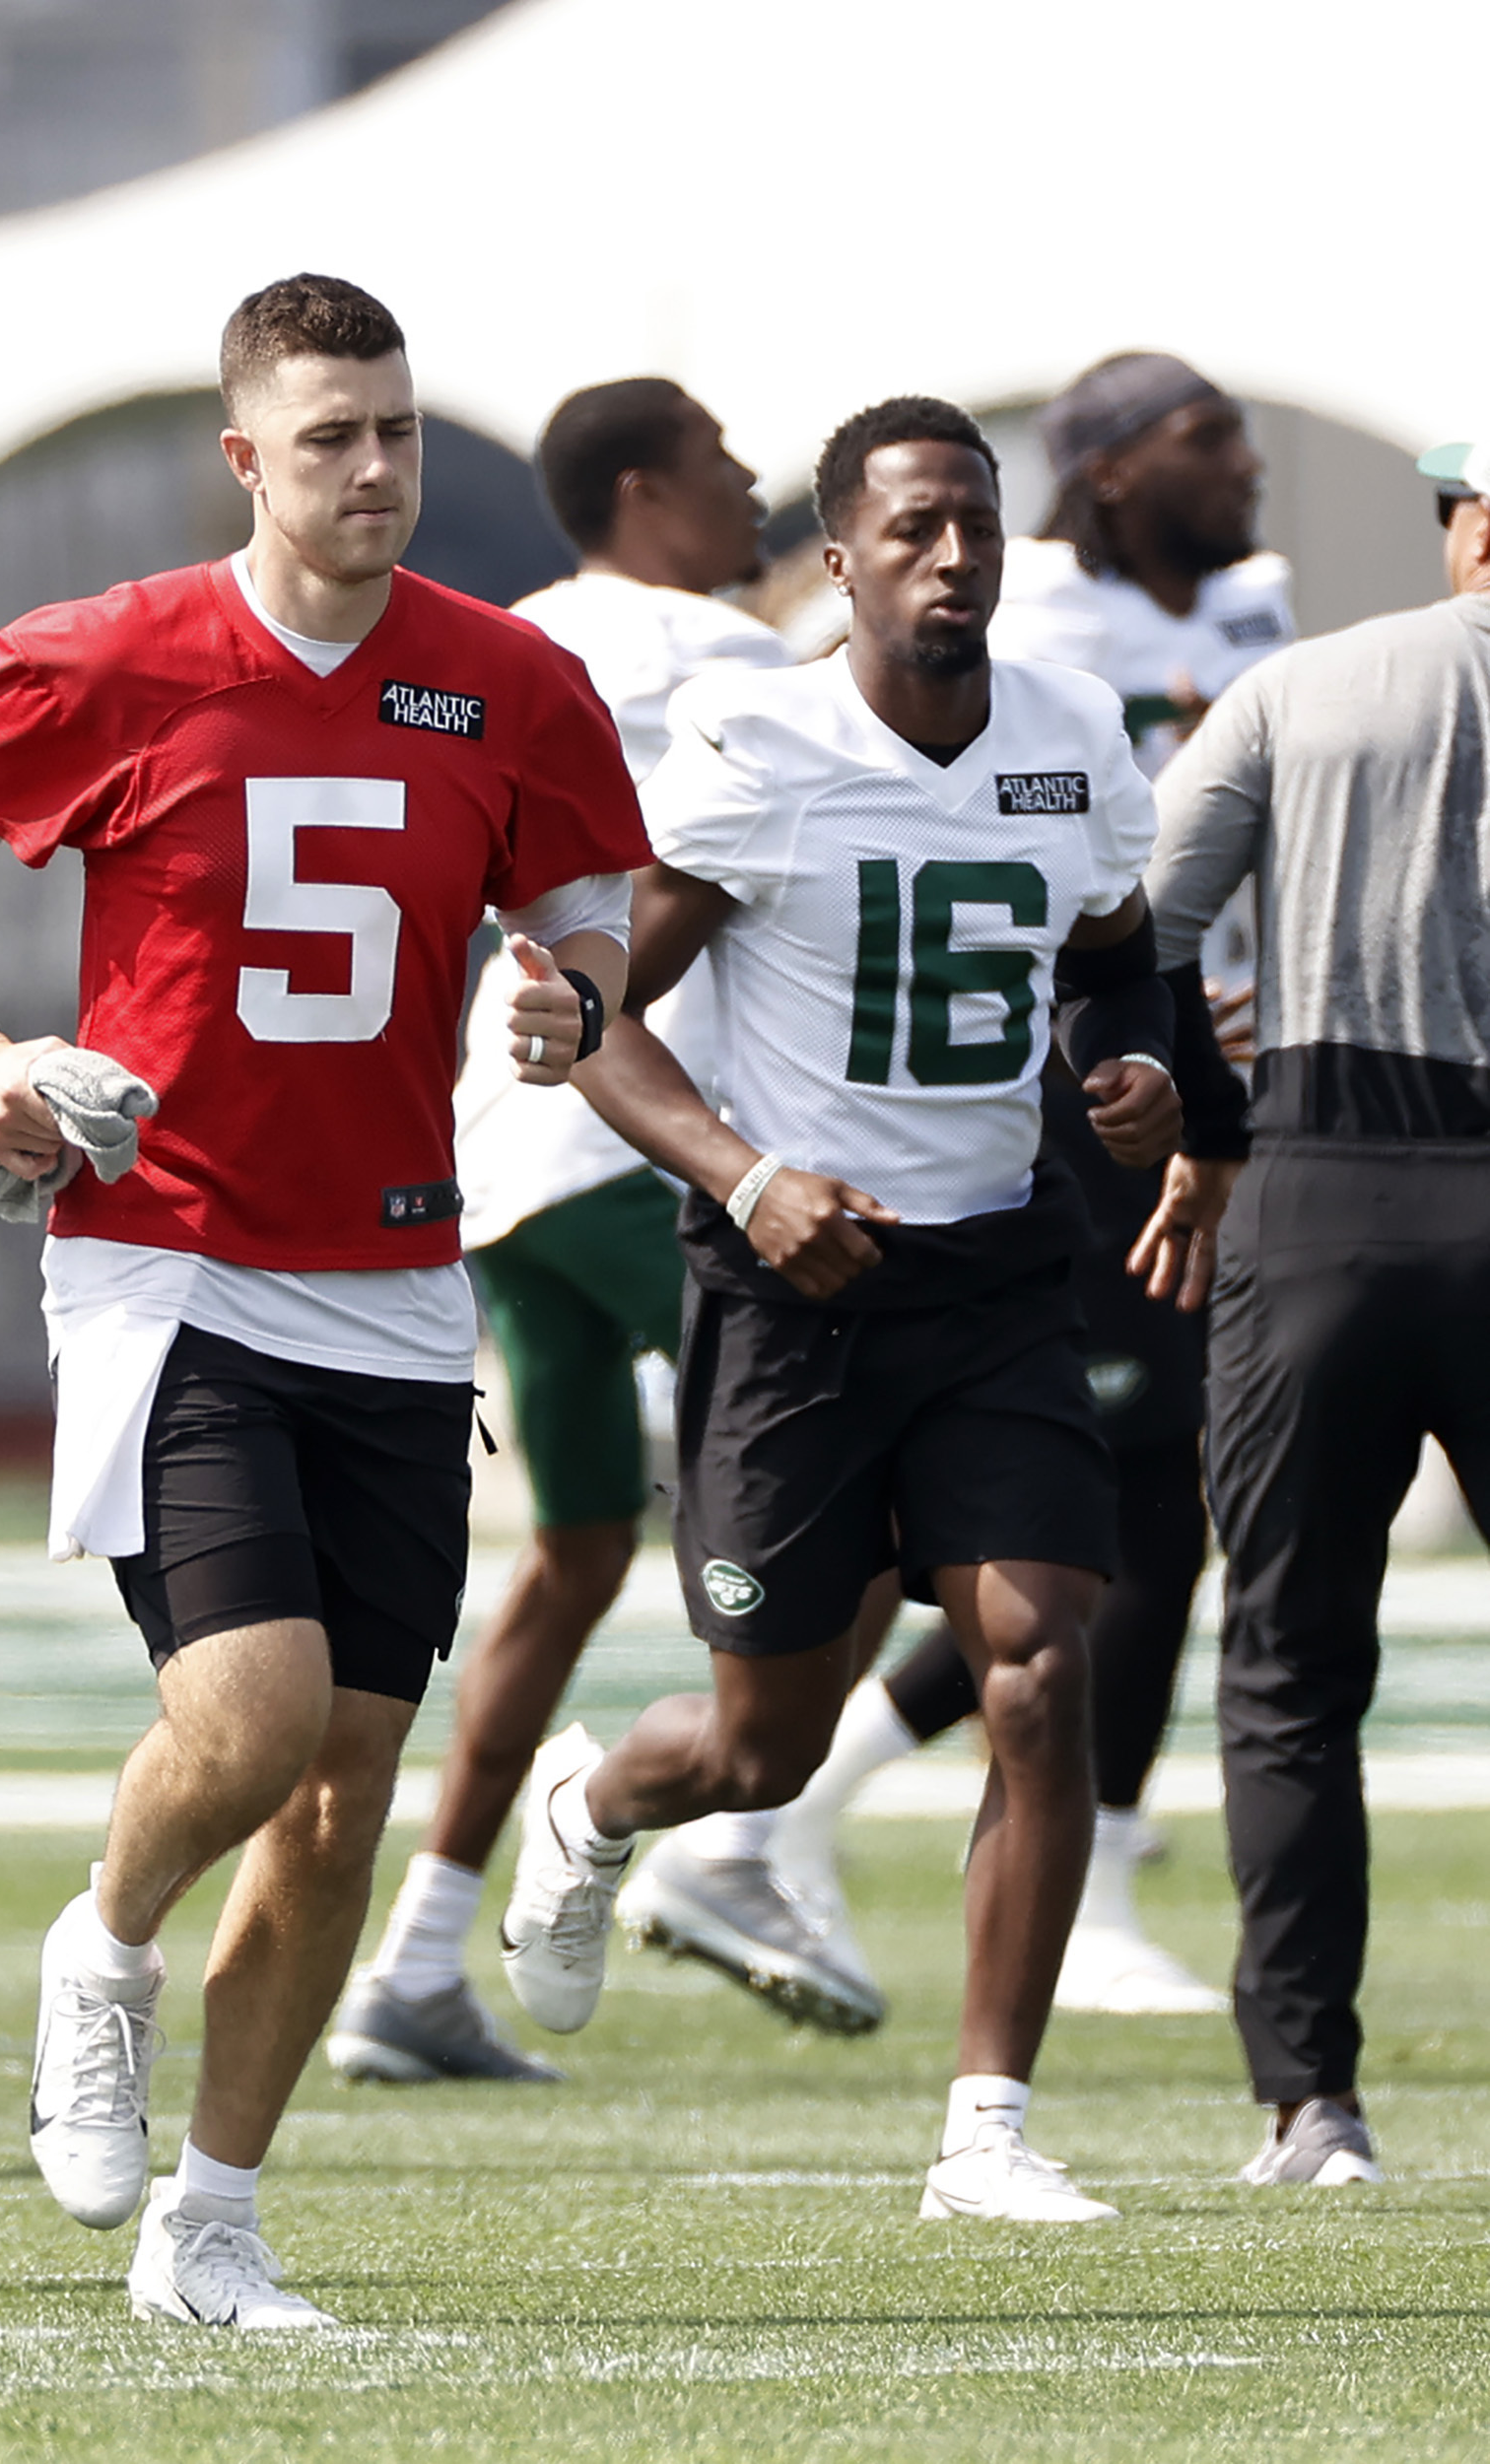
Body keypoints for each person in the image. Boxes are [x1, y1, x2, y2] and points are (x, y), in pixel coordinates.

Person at [0, 275, 644, 2329]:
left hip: (393, 1273)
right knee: (256, 1709)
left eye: (395, 432)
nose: (374, 469)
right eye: (330, 438)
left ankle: (209, 2224)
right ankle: (101, 1938)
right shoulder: (117, 650)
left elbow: (591, 925)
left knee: (346, 1778)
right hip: (169, 1251)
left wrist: (575, 1006)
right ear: (245, 458)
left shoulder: (510, 678)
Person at [503, 395, 1216, 2226]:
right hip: (791, 1290)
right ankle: (588, 1805)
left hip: (992, 1272)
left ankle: (983, 2129)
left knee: (1039, 1668)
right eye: (910, 530)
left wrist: (1131, 1076)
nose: (951, 558)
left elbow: (1119, 967)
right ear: (839, 558)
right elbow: (598, 1020)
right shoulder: (752, 742)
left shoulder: (1066, 731)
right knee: (766, 1744)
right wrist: (745, 1177)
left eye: (971, 523)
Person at [330, 376, 878, 2088]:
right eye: (724, 470)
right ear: (645, 489)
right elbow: (866, 736)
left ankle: (414, 1964)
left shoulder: (505, 641)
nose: (749, 500)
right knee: (885, 1447)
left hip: (497, 1157)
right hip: (642, 1151)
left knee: (568, 1559)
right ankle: (722, 1842)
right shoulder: (719, 657)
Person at [776, 354, 1291, 2017]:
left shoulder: (1252, 610)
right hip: (1046, 1107)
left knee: (1133, 1519)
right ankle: (820, 1814)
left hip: (1183, 1077)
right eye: (1205, 439)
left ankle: (824, 1811)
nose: (1244, 466)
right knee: (1119, 1510)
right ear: (1116, 468)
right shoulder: (1025, 618)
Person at [1131, 434, 1490, 2188]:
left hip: (1322, 1184)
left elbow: (1135, 934)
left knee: (1285, 1666)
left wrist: (1203, 1118)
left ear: (1463, 527)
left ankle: (1309, 2102)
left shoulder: (1299, 687)